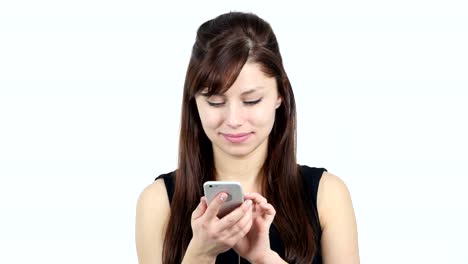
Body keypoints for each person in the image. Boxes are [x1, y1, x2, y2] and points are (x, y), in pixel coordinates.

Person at [135, 11, 359, 264]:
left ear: (280, 95)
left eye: (251, 100)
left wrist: (264, 257)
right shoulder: (158, 202)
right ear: (194, 102)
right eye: (215, 102)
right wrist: (200, 254)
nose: (233, 119)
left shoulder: (327, 195)